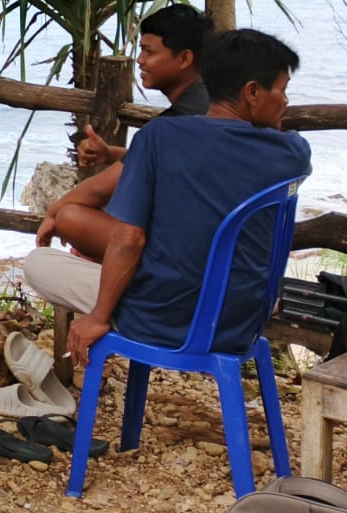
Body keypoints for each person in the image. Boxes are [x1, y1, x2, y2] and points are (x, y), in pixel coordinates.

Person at [22, 28, 312, 365]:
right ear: (251, 92)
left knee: (38, 263)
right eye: (282, 90)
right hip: (241, 324)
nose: (285, 102)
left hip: (160, 321)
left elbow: (129, 239)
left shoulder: (160, 138)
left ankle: (122, 303)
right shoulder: (293, 152)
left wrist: (98, 317)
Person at [37, 3, 214, 261]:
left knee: (70, 217)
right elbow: (161, 160)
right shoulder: (212, 100)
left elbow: (101, 188)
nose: (140, 60)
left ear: (185, 59)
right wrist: (110, 154)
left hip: (182, 253)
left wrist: (53, 213)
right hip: (212, 239)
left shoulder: (176, 122)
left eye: (149, 52)